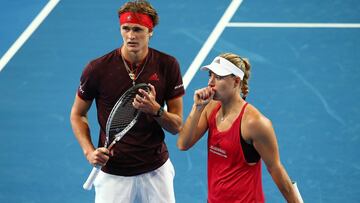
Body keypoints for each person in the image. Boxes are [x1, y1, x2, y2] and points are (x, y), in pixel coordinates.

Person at [70, 1, 184, 202]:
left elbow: (176, 126)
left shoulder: (168, 65)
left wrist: (155, 109)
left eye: (138, 30)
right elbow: (77, 114)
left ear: (150, 32)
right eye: (126, 28)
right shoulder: (97, 69)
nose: (131, 36)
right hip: (113, 173)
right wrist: (89, 152)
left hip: (156, 170)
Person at [177, 53, 302, 202]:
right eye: (210, 75)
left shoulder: (255, 123)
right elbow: (183, 144)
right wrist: (197, 108)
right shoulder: (210, 107)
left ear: (236, 81)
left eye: (219, 77)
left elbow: (276, 169)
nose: (210, 82)